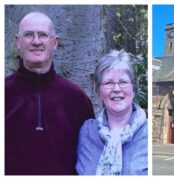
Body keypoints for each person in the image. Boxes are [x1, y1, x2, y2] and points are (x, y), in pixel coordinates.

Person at [5, 11, 95, 175]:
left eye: (43, 35)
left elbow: (91, 159)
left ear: (54, 42)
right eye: (29, 35)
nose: (36, 41)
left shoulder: (77, 99)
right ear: (18, 41)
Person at [76, 50, 148, 175]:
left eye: (123, 82)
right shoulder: (86, 131)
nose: (116, 89)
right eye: (108, 83)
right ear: (99, 90)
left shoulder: (147, 132)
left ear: (134, 88)